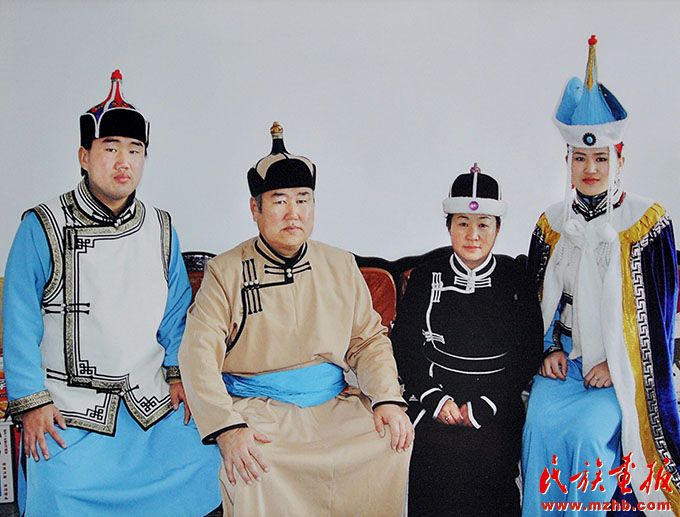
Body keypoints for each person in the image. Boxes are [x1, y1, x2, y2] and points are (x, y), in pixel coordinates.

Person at [2, 70, 221, 516]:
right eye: (111, 148)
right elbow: (19, 319)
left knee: (208, 460)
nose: (124, 161)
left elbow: (176, 314)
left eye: (135, 150)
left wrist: (179, 375)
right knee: (59, 488)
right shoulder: (42, 226)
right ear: (84, 156)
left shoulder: (161, 227)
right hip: (68, 407)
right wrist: (32, 402)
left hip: (147, 399)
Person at [178, 122, 413, 516]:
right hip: (260, 409)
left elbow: (368, 341)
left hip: (332, 403)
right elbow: (198, 354)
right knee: (254, 466)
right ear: (255, 209)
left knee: (389, 441)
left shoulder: (339, 264)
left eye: (303, 200)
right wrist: (228, 428)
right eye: (279, 201)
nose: (293, 213)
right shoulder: (226, 271)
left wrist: (386, 398)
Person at [522, 35, 680, 515]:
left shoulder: (646, 222)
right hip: (565, 363)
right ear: (568, 162)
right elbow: (533, 300)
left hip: (620, 369)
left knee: (589, 438)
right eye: (580, 158)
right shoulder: (550, 223)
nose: (590, 168)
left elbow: (661, 317)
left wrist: (617, 364)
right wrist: (547, 347)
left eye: (601, 158)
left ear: (619, 160)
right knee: (538, 428)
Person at [391, 164, 543, 516]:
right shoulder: (427, 273)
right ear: (449, 227)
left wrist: (484, 404)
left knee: (488, 457)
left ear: (498, 228)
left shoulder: (514, 277)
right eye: (462, 224)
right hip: (434, 396)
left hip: (496, 400)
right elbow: (406, 345)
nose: (472, 235)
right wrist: (435, 399)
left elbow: (527, 350)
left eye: (483, 224)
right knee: (431, 457)